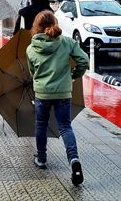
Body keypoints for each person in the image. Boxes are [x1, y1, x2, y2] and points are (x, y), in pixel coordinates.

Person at [26, 10, 89, 185]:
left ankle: (42, 158)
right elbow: (84, 60)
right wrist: (74, 75)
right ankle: (74, 159)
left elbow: (33, 73)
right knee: (65, 127)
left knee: (41, 125)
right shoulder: (67, 43)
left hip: (42, 94)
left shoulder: (31, 49)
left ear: (36, 28)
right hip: (63, 92)